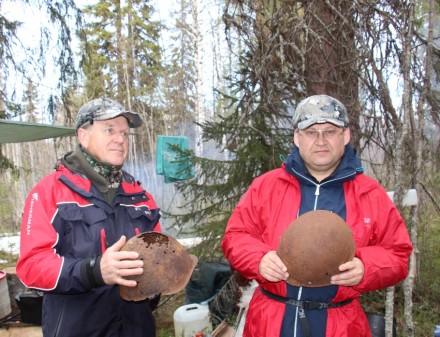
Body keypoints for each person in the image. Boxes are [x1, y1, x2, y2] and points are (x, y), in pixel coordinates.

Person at [221, 95, 413, 337]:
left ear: (345, 136)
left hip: (340, 324)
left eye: (330, 131)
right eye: (311, 132)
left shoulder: (370, 194)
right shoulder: (266, 187)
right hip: (270, 320)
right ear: (297, 137)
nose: (321, 141)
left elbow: (398, 255)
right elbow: (235, 236)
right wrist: (259, 259)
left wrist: (367, 267)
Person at [16, 98, 162, 337]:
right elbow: (31, 266)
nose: (120, 139)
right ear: (83, 136)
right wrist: (94, 271)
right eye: (109, 130)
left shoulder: (141, 197)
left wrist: (158, 279)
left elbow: (157, 255)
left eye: (125, 134)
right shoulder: (50, 192)